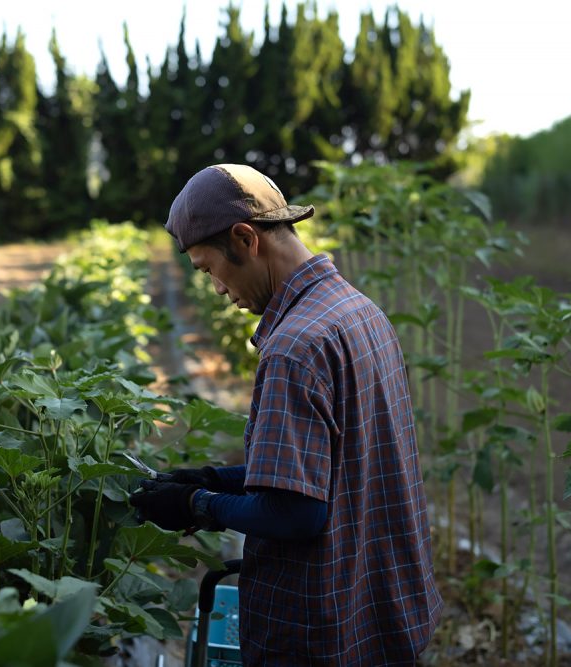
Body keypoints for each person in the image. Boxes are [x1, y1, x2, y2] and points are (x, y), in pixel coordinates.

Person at [129, 163, 442, 665]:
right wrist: (214, 478)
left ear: (245, 238)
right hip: (383, 614)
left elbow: (296, 513)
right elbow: (325, 471)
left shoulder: (294, 349)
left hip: (322, 634)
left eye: (210, 269)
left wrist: (196, 505)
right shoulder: (359, 311)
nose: (215, 287)